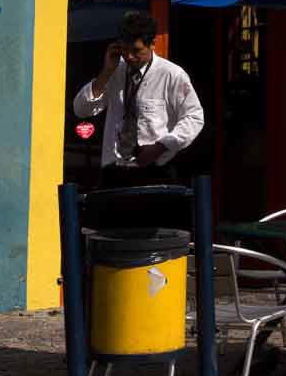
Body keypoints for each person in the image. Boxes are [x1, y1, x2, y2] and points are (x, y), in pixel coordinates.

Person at [74, 12, 204, 226]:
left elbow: (194, 117)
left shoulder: (172, 74)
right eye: (125, 51)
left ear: (152, 44)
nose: (130, 57)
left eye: (136, 51)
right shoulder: (115, 71)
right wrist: (106, 73)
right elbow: (81, 109)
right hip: (114, 173)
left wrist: (162, 146)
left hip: (154, 172)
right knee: (110, 241)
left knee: (154, 241)